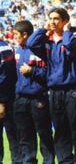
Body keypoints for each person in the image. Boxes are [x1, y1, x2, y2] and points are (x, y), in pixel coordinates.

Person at [27, 8, 76, 164]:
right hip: (54, 92)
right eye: (50, 18)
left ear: (65, 21)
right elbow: (30, 43)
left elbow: (70, 46)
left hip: (72, 90)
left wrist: (67, 31)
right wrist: (43, 29)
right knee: (60, 130)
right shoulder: (47, 42)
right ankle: (65, 161)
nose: (52, 22)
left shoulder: (75, 36)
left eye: (56, 19)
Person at [13, 20, 55, 164]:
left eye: (16, 35)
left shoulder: (40, 49)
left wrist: (32, 71)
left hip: (38, 98)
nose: (14, 38)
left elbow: (49, 73)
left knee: (44, 134)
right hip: (21, 99)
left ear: (25, 35)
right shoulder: (18, 50)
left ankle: (48, 161)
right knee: (25, 136)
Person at [0, 36, 20, 164]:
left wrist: (1, 101)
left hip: (6, 101)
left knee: (13, 135)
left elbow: (5, 77)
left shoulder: (3, 48)